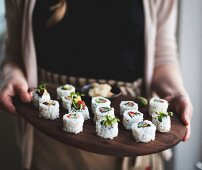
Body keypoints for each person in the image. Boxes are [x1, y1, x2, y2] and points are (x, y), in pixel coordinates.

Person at [0, 0, 193, 170]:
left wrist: (176, 92)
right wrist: (11, 77)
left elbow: (162, 56)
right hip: (52, 127)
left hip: (129, 135)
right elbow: (13, 52)